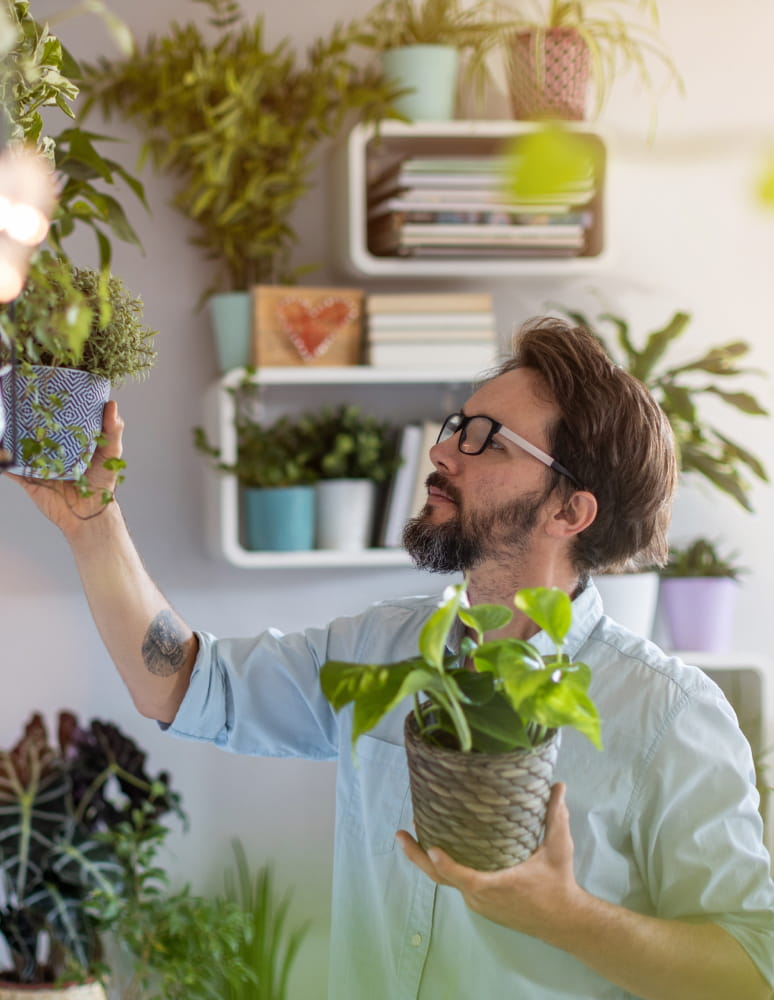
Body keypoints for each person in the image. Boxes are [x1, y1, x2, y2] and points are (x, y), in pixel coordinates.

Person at [12, 317, 774, 1000]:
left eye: (485, 439)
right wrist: (92, 524)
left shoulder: (669, 716)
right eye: (457, 425)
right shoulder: (380, 650)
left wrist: (567, 918)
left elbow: (752, 970)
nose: (442, 449)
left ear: (569, 511)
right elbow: (181, 682)